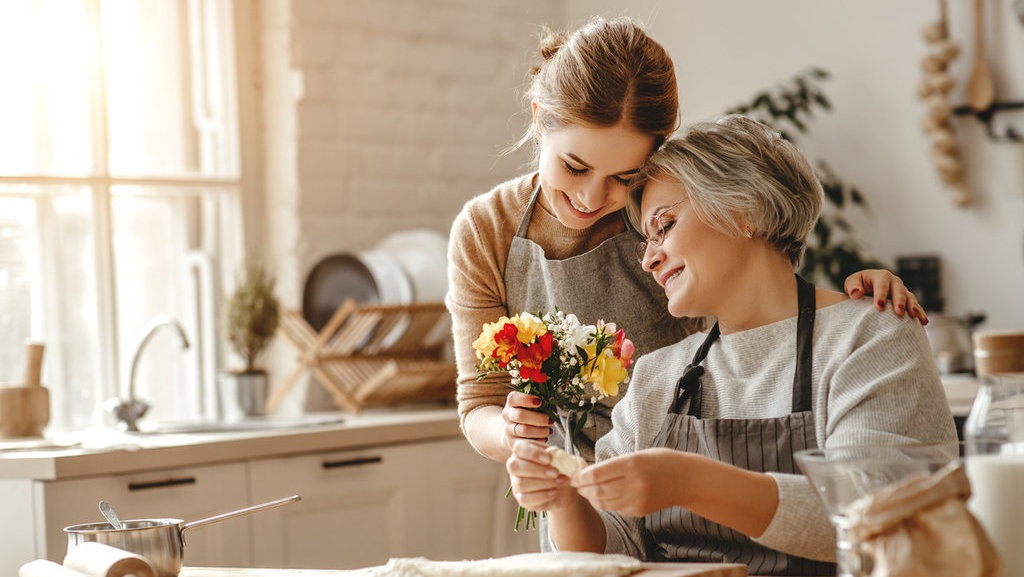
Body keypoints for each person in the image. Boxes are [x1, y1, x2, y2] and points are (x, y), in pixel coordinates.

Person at [446, 16, 927, 469]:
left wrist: (849, 307)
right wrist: (514, 432)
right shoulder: (486, 231)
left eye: (624, 176)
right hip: (569, 492)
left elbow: (758, 317)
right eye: (574, 167)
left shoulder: (666, 210)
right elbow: (479, 404)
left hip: (685, 476)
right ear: (538, 120)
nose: (592, 197)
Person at [505, 115, 958, 574]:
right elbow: (614, 549)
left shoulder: (869, 336)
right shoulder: (657, 376)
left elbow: (878, 514)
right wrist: (564, 501)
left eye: (665, 225)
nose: (649, 258)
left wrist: (690, 481)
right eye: (645, 240)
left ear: (746, 208)